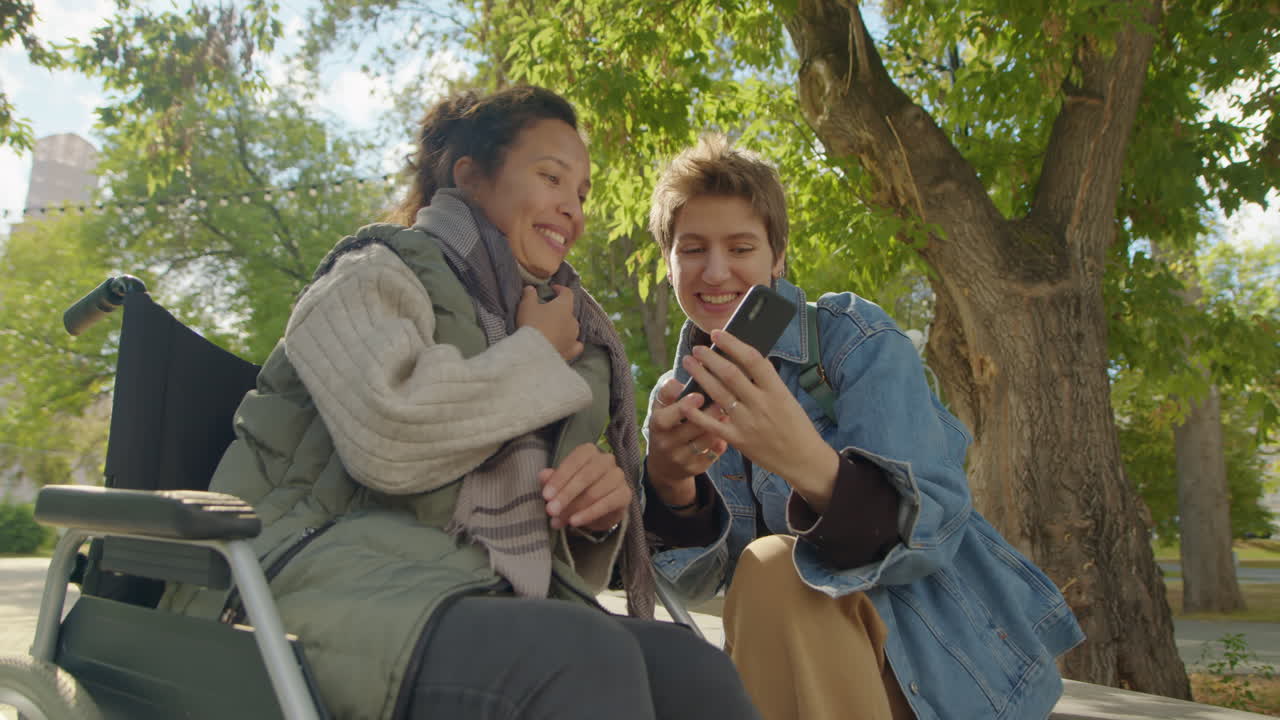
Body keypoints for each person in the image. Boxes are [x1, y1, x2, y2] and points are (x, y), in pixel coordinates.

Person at [162, 87, 761, 720]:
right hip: (292, 593)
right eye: (551, 176)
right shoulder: (371, 274)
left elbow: (555, 570)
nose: (573, 210)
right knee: (580, 655)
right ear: (470, 176)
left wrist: (596, 516)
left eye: (581, 193)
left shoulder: (565, 336)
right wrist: (533, 351)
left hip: (471, 601)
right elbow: (388, 441)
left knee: (695, 671)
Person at [641, 134, 1085, 720]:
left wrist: (804, 460)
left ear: (777, 257)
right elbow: (699, 583)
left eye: (741, 246)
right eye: (692, 248)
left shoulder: (852, 341)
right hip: (799, 665)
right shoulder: (679, 395)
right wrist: (670, 484)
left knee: (775, 567)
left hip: (940, 672)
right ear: (668, 262)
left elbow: (930, 532)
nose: (716, 270)